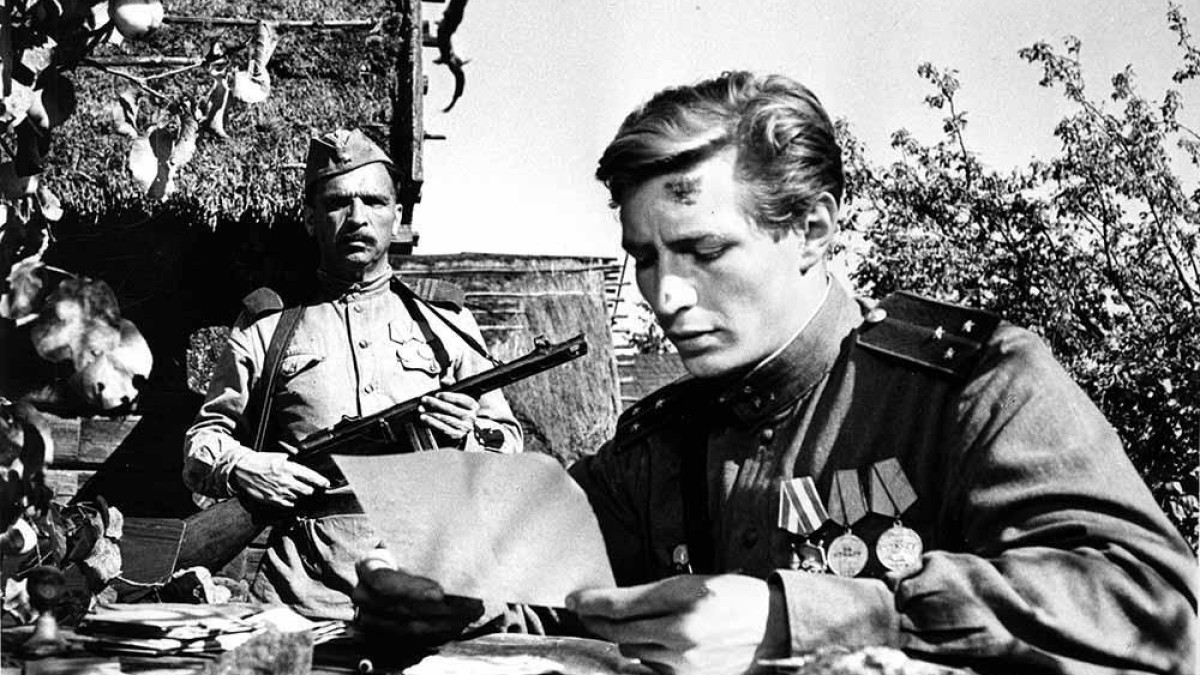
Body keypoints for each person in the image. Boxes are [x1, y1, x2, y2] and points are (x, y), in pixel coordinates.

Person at [352, 73, 1198, 674]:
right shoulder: (655, 446)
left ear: (813, 230)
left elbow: (1158, 605)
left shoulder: (972, 386)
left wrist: (804, 619)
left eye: (703, 249)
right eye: (645, 258)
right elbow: (559, 589)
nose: (664, 295)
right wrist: (443, 596)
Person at [183, 129, 522, 620]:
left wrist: (466, 435)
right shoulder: (269, 324)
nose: (358, 217)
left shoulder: (445, 320)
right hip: (303, 593)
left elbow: (507, 447)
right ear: (310, 218)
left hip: (430, 582)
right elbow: (201, 444)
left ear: (397, 216)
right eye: (339, 202)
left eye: (375, 201)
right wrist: (245, 467)